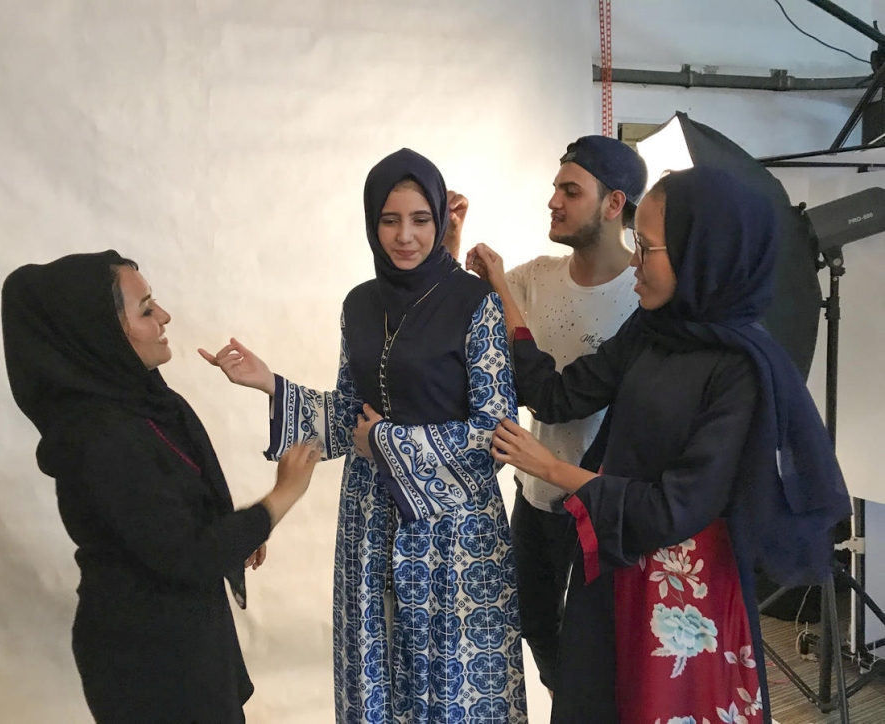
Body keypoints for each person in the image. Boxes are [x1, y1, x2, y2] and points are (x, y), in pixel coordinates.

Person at [474, 167, 851, 723]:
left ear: (703, 253)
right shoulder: (655, 327)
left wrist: (554, 469)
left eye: (647, 248)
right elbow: (557, 396)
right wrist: (504, 294)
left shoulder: (741, 369)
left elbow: (676, 507)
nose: (634, 263)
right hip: (616, 568)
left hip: (684, 600)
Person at [201, 149, 527, 723]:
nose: (404, 236)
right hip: (370, 521)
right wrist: (269, 384)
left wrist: (389, 443)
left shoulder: (476, 305)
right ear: (371, 222)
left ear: (440, 221)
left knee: (453, 689)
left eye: (420, 220)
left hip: (454, 535)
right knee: (376, 676)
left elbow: (498, 433)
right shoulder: (360, 304)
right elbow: (350, 419)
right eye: (389, 220)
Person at [1, 250, 318, 723]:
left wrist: (236, 532)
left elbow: (176, 508)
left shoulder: (144, 404)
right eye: (146, 309)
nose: (165, 316)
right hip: (149, 661)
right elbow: (187, 555)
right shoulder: (100, 437)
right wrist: (279, 499)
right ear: (102, 332)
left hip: (181, 638)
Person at [458, 135, 645, 693]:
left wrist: (500, 288)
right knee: (535, 623)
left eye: (571, 189)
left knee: (600, 643)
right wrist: (451, 241)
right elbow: (457, 312)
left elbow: (555, 396)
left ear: (614, 205)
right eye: (555, 188)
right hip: (534, 496)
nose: (554, 201)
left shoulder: (643, 298)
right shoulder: (536, 277)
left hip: (596, 499)